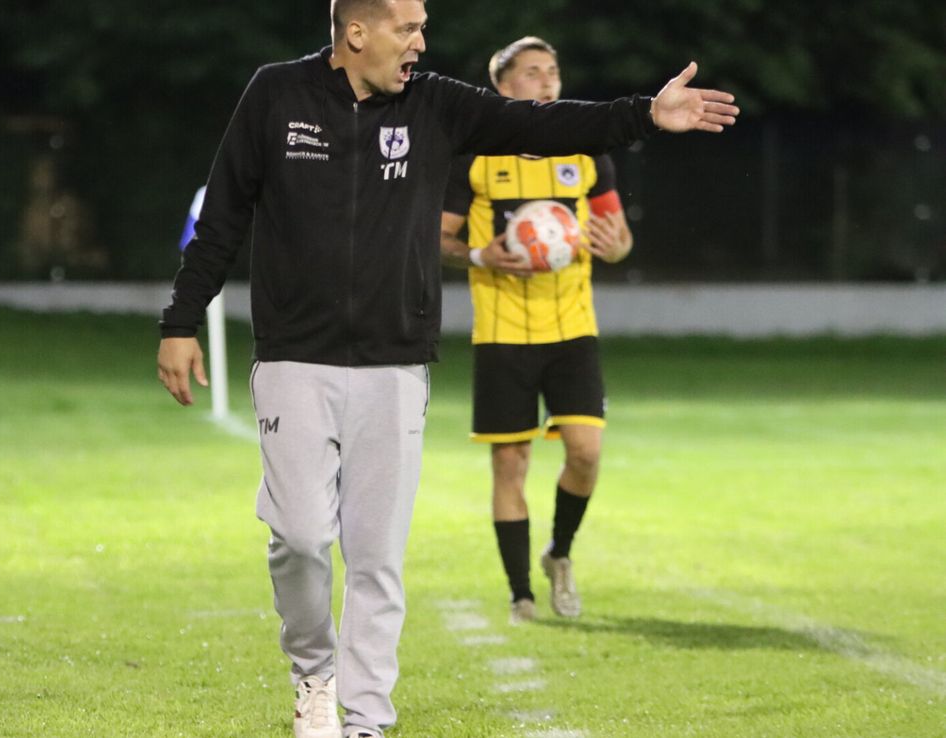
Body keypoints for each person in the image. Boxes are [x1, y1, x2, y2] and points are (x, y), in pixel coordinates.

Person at [156, 2, 737, 736]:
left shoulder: (435, 103)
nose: (422, 43)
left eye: (423, 26)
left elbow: (543, 125)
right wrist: (181, 322)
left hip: (396, 364)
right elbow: (223, 219)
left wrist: (647, 115)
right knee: (300, 536)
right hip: (293, 358)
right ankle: (314, 674)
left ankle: (366, 717)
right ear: (356, 33)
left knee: (375, 553)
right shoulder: (276, 93)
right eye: (408, 28)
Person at [440, 36, 636, 625]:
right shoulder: (471, 159)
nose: (548, 82)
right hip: (501, 331)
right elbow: (436, 241)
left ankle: (560, 553)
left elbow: (619, 236)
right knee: (511, 464)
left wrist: (618, 246)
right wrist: (481, 256)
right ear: (503, 88)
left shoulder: (587, 151)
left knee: (586, 452)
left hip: (573, 327)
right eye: (532, 73)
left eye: (553, 71)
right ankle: (520, 593)